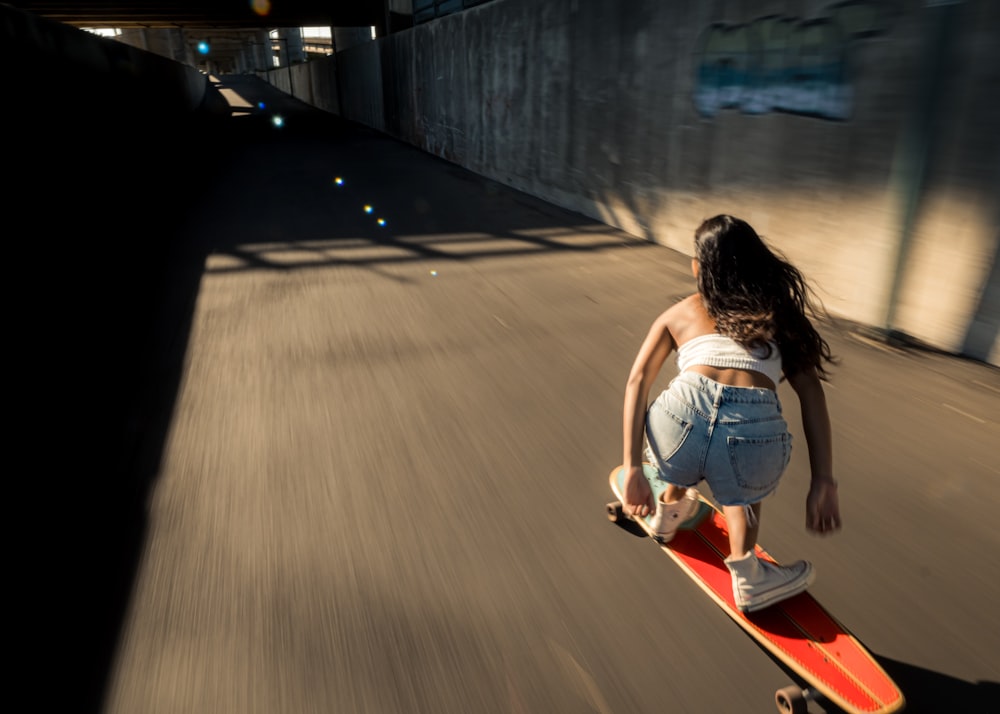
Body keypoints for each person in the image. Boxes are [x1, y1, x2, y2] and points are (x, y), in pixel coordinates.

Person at [621, 214, 841, 613]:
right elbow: (811, 395)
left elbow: (637, 381)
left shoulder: (682, 312)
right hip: (748, 441)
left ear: (698, 267)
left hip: (676, 433)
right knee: (742, 493)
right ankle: (749, 577)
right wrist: (823, 479)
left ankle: (666, 516)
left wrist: (633, 467)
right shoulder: (781, 318)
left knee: (685, 437)